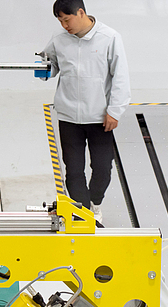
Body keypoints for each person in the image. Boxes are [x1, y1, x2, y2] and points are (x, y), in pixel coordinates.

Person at [41, 0, 130, 222]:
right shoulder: (59, 39)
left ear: (81, 12)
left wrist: (115, 111)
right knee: (73, 170)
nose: (64, 26)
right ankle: (82, 215)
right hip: (68, 116)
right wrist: (43, 69)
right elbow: (51, 65)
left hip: (100, 117)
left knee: (102, 169)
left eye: (67, 20)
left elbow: (121, 78)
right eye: (60, 21)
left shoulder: (110, 38)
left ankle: (95, 203)